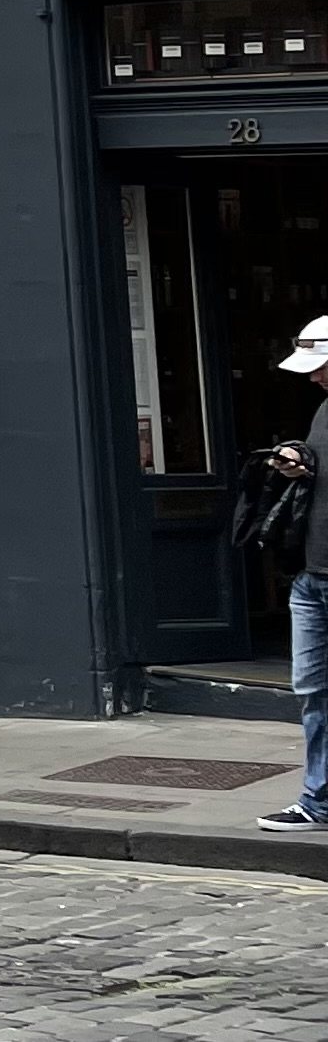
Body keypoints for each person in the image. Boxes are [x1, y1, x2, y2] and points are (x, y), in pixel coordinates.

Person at [262, 315, 328, 834]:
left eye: (320, 366)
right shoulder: (325, 410)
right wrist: (300, 462)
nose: (313, 378)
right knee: (312, 690)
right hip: (313, 574)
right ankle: (318, 800)